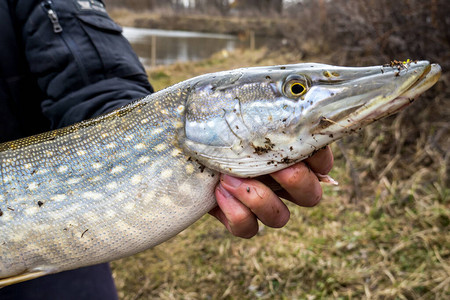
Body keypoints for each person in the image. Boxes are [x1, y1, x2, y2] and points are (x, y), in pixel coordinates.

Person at [0, 0, 333, 299]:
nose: (299, 94)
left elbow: (94, 74)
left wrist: (132, 129)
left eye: (295, 89)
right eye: (296, 89)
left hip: (63, 241)